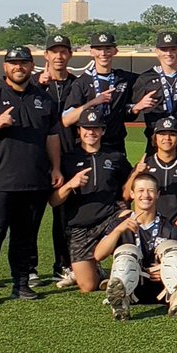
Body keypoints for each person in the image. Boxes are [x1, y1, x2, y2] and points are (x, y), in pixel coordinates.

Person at [0, 47, 63, 305]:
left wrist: (56, 168)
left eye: (24, 63)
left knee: (25, 235)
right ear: (5, 66)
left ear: (32, 66)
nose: (19, 67)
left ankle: (21, 285)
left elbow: (52, 136)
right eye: (13, 63)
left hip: (34, 180)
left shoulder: (43, 99)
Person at [94, 173, 177, 320]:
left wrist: (163, 269)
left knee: (174, 248)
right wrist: (118, 230)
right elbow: (98, 255)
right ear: (132, 194)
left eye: (150, 190)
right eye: (141, 190)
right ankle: (121, 303)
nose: (146, 195)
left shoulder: (169, 227)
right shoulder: (119, 223)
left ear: (157, 195)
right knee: (127, 251)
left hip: (161, 289)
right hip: (133, 287)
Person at [51, 108, 132, 293]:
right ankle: (99, 273)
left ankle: (129, 271)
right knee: (88, 287)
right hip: (80, 227)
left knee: (128, 219)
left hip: (108, 219)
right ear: (79, 130)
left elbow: (127, 192)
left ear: (103, 130)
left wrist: (136, 174)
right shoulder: (67, 159)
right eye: (86, 128)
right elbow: (54, 201)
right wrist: (71, 184)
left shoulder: (115, 157)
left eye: (96, 128)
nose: (91, 132)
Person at [34, 34, 79, 286]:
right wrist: (38, 84)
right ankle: (28, 268)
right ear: (46, 56)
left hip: (69, 157)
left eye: (63, 51)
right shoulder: (33, 84)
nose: (59, 56)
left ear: (70, 55)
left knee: (65, 216)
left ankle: (63, 264)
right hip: (36, 159)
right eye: (54, 51)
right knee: (32, 215)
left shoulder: (78, 83)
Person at [62, 32, 137, 154]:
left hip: (115, 147)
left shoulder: (125, 78)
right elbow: (66, 120)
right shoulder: (82, 82)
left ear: (115, 51)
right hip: (87, 147)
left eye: (108, 49)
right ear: (91, 52)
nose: (103, 53)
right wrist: (94, 102)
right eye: (98, 49)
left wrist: (137, 107)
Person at [132, 31, 177, 160]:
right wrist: (137, 106)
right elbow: (128, 112)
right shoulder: (145, 79)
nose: (169, 53)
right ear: (157, 51)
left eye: (173, 49)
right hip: (156, 142)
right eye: (164, 49)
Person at [124, 116, 177, 230]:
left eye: (172, 134)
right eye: (162, 134)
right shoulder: (145, 165)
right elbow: (127, 195)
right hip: (148, 225)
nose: (167, 138)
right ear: (155, 138)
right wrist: (136, 174)